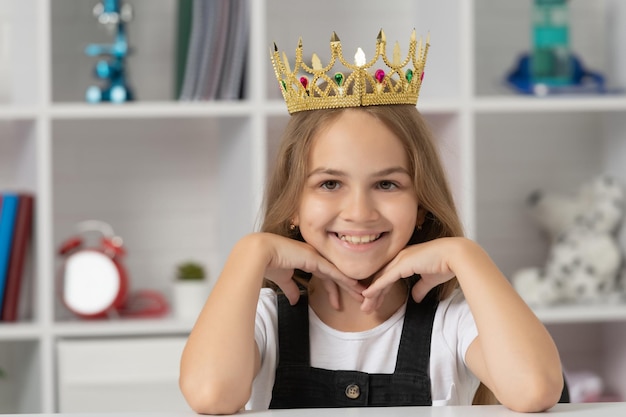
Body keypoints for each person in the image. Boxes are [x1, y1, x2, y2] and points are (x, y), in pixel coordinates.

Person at [179, 29, 564, 414]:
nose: (360, 212)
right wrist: (252, 250)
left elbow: (534, 389)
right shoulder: (263, 317)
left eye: (387, 183)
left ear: (422, 205)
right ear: (293, 205)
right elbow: (211, 394)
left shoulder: (452, 321)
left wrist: (466, 255)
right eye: (330, 183)